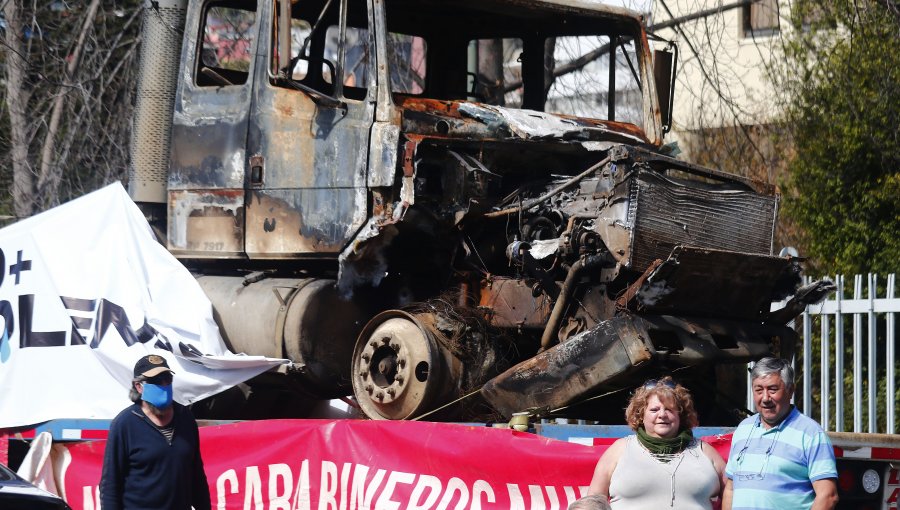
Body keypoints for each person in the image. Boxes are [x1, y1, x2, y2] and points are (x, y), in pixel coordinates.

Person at [588, 377, 726, 509]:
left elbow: (732, 493)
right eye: (654, 410)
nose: (662, 415)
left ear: (681, 415)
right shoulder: (619, 450)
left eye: (669, 410)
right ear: (641, 415)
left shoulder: (704, 451)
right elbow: (592, 502)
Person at [722, 357, 838, 510]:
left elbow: (828, 496)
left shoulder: (811, 434)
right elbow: (730, 489)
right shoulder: (743, 430)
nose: (765, 398)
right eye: (758, 390)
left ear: (790, 390)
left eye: (772, 389)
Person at [100, 354, 211, 510]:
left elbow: (196, 475)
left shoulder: (184, 417)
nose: (164, 385)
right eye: (156, 381)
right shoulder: (125, 424)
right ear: (139, 386)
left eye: (167, 379)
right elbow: (110, 485)